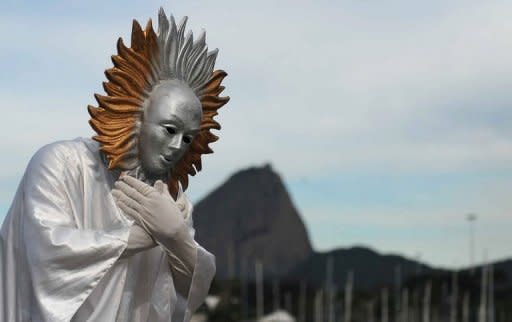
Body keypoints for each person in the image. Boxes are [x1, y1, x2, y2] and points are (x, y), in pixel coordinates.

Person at [0, 8, 229, 322]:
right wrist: (143, 236)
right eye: (170, 130)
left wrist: (176, 236)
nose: (177, 147)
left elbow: (188, 292)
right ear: (137, 115)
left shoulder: (171, 203)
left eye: (189, 138)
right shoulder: (62, 165)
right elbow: (46, 253)